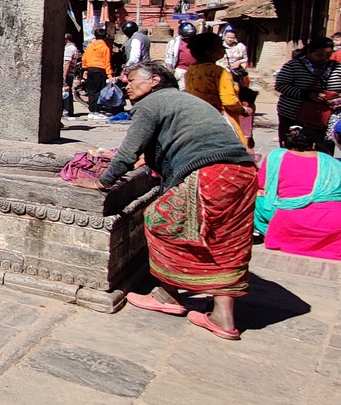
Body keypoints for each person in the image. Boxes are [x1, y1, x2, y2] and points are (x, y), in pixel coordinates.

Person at [75, 61, 258, 340]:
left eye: (133, 79)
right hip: (241, 174)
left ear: (155, 81)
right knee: (224, 239)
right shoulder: (183, 101)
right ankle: (223, 315)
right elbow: (156, 150)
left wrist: (102, 181)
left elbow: (128, 151)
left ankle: (167, 295)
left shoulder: (153, 104)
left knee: (162, 220)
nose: (127, 83)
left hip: (208, 171)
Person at [255, 127, 341, 260]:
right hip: (334, 224)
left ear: (284, 144)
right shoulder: (333, 162)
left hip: (292, 221)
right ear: (313, 145)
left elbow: (262, 185)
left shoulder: (277, 156)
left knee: (255, 200)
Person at [274, 37, 341, 154]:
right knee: (295, 148)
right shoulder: (294, 66)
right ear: (309, 51)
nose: (324, 58)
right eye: (319, 55)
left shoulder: (336, 67)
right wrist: (306, 94)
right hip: (294, 115)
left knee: (323, 149)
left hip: (326, 118)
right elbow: (280, 85)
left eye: (328, 55)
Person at [184, 32, 249, 147]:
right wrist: (244, 110)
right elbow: (229, 101)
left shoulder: (191, 70)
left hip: (198, 119)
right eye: (220, 45)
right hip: (220, 121)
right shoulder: (219, 72)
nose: (223, 49)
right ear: (208, 50)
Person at [81, 27, 113, 114]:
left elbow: (84, 58)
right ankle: (96, 110)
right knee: (99, 91)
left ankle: (91, 110)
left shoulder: (90, 46)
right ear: (105, 37)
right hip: (100, 70)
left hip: (90, 69)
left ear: (95, 36)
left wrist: (85, 69)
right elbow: (107, 62)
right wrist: (109, 75)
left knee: (91, 91)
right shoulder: (105, 47)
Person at [164, 22, 198, 88]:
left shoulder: (197, 41)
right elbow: (169, 55)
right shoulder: (174, 42)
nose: (188, 40)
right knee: (182, 89)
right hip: (181, 70)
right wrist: (169, 68)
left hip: (195, 70)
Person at [62, 33, 82, 117]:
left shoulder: (70, 49)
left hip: (68, 73)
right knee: (67, 91)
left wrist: (64, 75)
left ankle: (66, 110)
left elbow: (67, 62)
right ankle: (69, 110)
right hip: (70, 73)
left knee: (65, 91)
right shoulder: (73, 48)